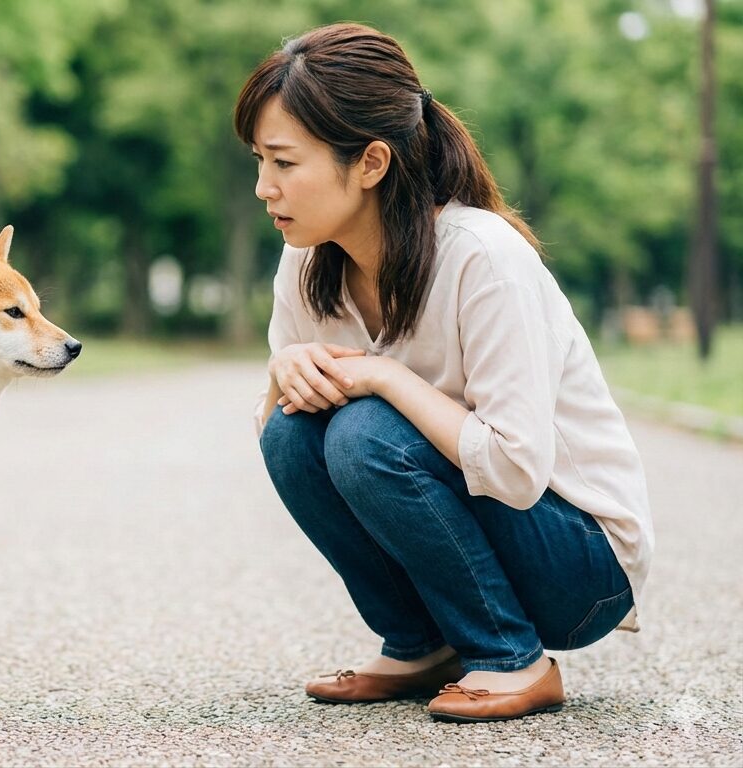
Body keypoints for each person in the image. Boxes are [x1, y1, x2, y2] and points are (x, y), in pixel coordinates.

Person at [239, 23, 652, 723]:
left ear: (370, 162)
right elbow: (281, 420)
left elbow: (518, 471)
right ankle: (420, 645)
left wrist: (384, 377)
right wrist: (286, 370)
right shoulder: (307, 260)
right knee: (291, 432)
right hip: (495, 533)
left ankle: (510, 658)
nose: (262, 188)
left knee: (364, 431)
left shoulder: (481, 257)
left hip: (581, 565)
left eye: (283, 162)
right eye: (258, 162)